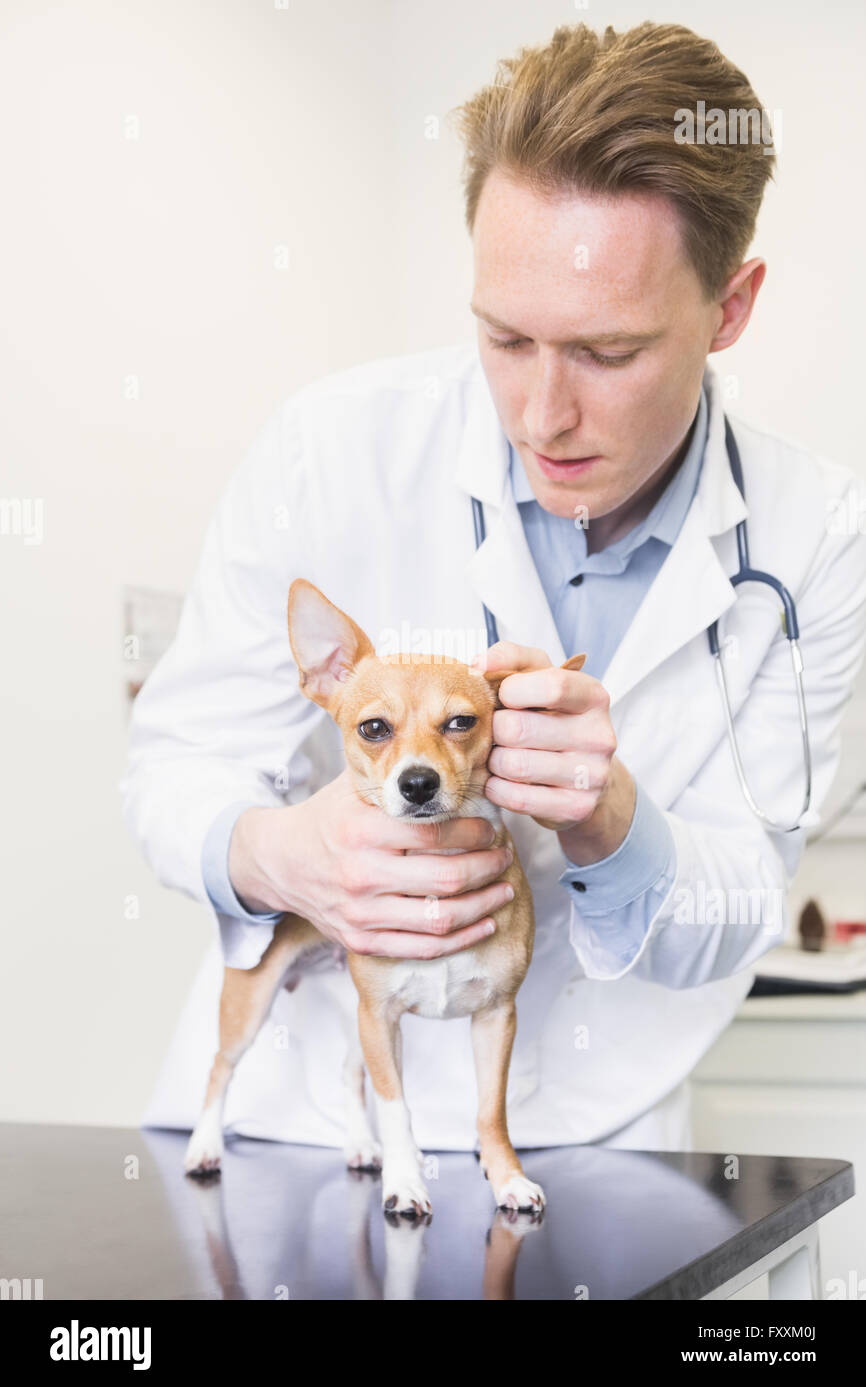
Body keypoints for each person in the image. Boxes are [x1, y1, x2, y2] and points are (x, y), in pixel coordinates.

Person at [121, 20, 866, 1153]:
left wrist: (609, 819)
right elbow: (175, 765)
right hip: (300, 1118)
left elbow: (735, 903)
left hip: (586, 1141)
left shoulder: (815, 535)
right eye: (504, 338)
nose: (539, 414)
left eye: (607, 353)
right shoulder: (331, 449)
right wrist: (287, 857)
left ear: (729, 308)